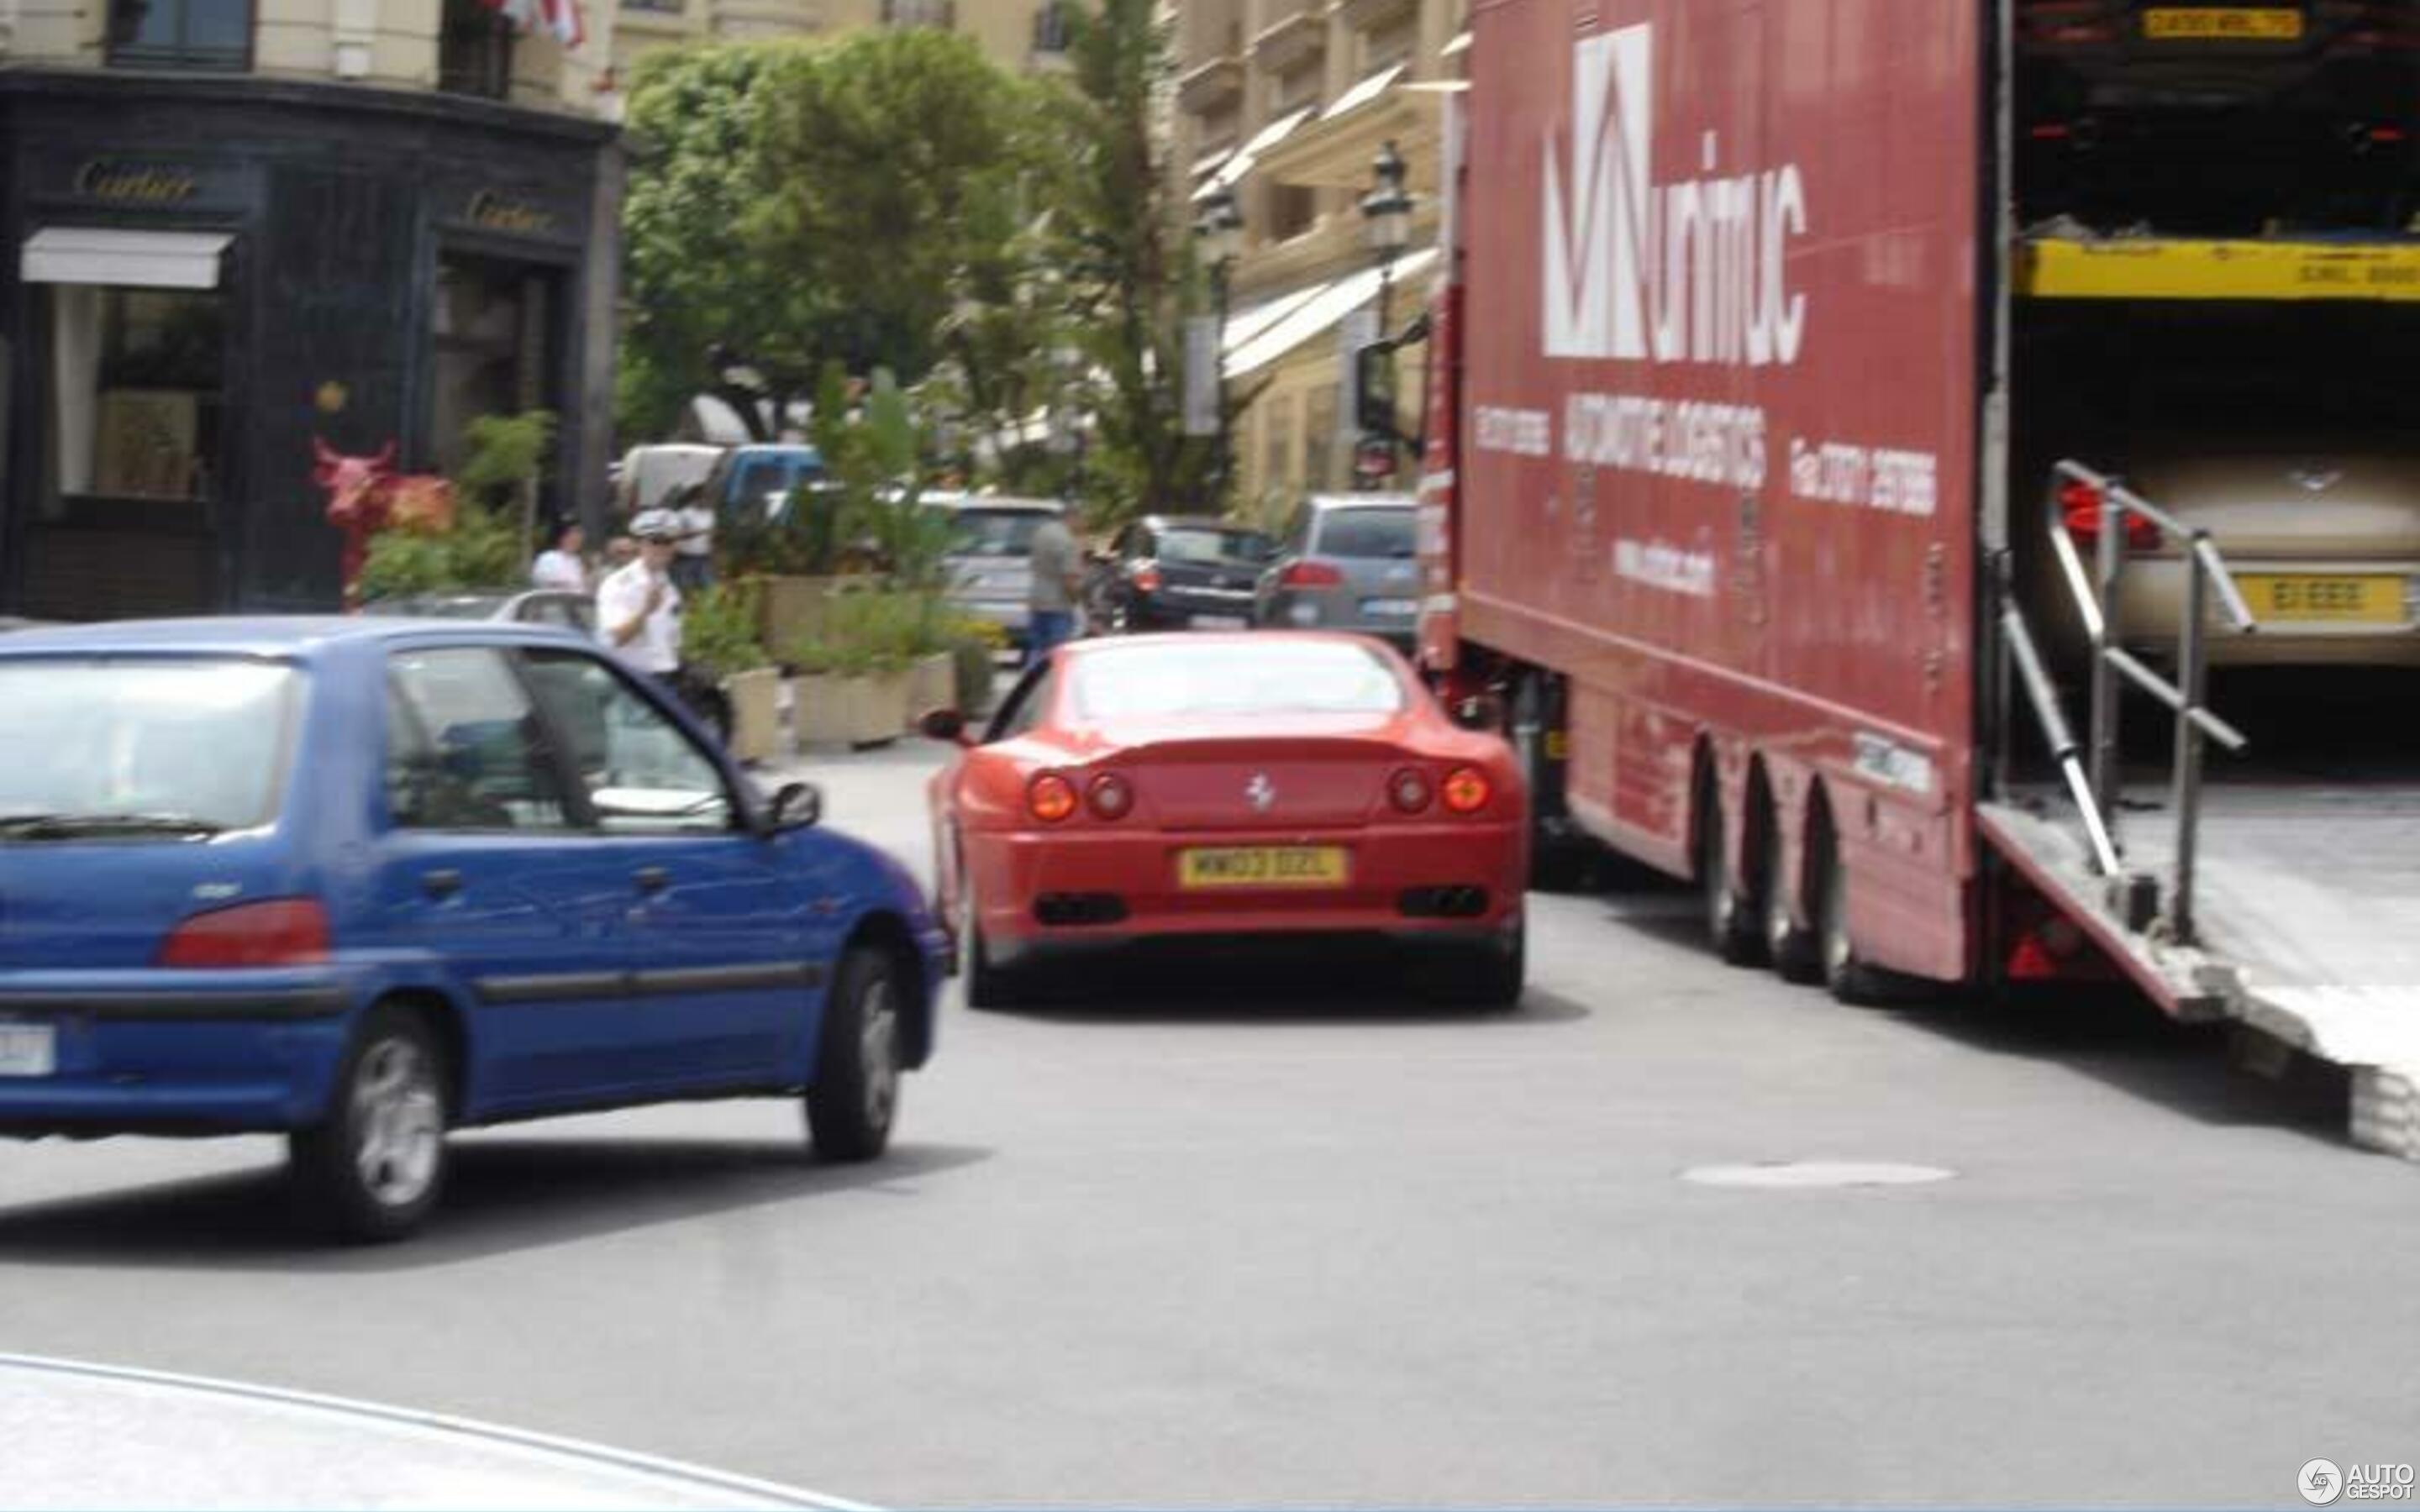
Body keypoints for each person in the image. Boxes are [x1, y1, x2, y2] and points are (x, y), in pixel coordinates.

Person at [596, 509, 683, 682]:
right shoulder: (619, 584)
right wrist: (645, 611)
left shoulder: (671, 589)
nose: (662, 548)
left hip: (667, 679)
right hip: (631, 680)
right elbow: (614, 638)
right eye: (655, 541)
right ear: (641, 544)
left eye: (669, 542)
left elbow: (672, 644)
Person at [1025, 503, 1083, 666]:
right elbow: (1069, 579)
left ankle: (1032, 683)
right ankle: (1054, 686)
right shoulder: (1068, 541)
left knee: (1037, 649)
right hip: (1058, 605)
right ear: (1073, 517)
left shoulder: (1041, 533)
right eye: (1081, 520)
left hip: (1037, 600)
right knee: (1058, 652)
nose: (1082, 525)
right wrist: (1077, 602)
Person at [670, 483, 715, 595]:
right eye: (706, 498)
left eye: (709, 498)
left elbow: (711, 534)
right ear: (696, 498)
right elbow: (676, 534)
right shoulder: (684, 514)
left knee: (709, 589)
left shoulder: (710, 513)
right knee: (685, 590)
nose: (708, 501)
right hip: (686, 558)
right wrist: (699, 532)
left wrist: (713, 550)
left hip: (704, 557)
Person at [530, 521, 589, 593]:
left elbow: (583, 587)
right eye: (571, 538)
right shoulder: (548, 558)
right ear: (562, 538)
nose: (574, 542)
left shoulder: (578, 562)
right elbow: (540, 581)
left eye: (577, 541)